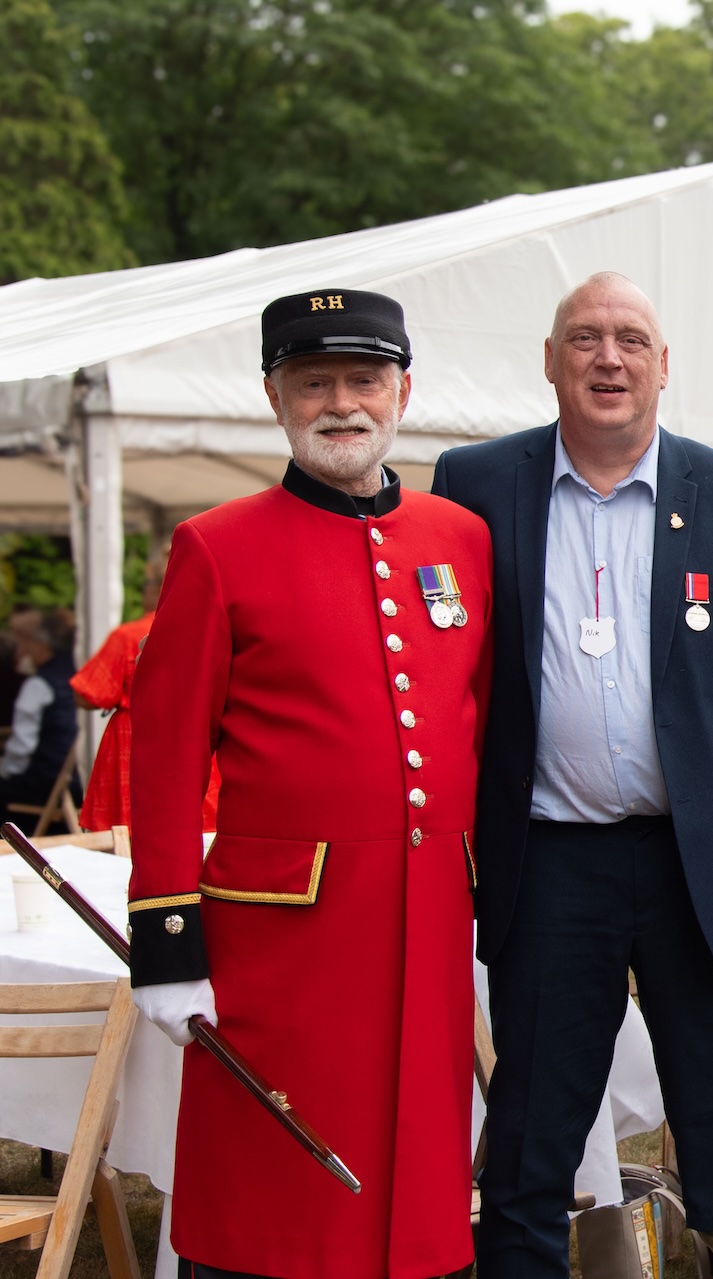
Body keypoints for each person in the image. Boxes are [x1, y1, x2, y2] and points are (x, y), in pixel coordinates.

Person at [430, 271, 713, 1278]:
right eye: (584, 338)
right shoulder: (475, 485)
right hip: (548, 862)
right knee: (532, 1129)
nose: (607, 358)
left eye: (630, 340)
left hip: (700, 869)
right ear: (549, 361)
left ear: (665, 367)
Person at [128, 288, 492, 1278]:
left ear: (403, 391)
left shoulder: (461, 540)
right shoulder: (216, 546)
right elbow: (160, 757)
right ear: (274, 397)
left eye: (364, 379)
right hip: (278, 939)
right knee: (272, 1181)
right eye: (313, 382)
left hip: (425, 923)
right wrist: (167, 940)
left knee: (416, 1177)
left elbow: (487, 728)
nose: (342, 403)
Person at [70, 558, 220, 833]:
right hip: (196, 736)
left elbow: (89, 695)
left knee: (129, 838)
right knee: (198, 829)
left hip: (136, 738)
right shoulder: (211, 629)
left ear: (155, 589)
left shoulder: (128, 636)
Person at [0, 609, 81, 819]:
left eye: (25, 644)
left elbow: (21, 749)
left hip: (47, 785)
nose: (23, 651)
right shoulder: (78, 675)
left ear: (42, 645)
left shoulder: (39, 684)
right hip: (78, 780)